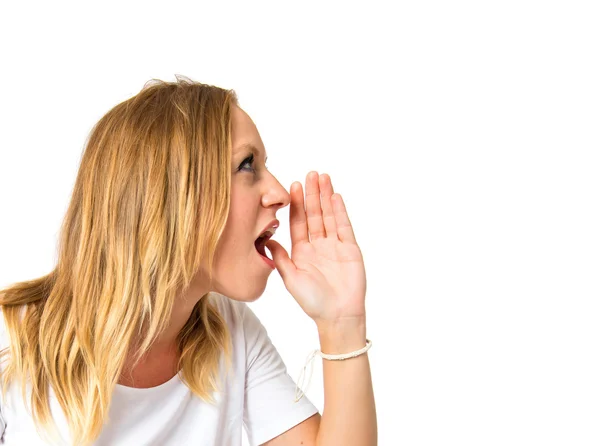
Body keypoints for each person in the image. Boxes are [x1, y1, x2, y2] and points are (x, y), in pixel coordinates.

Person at [0, 75, 376, 445]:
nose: (279, 193)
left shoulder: (230, 331)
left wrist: (342, 324)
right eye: (247, 165)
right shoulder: (11, 343)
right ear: (168, 195)